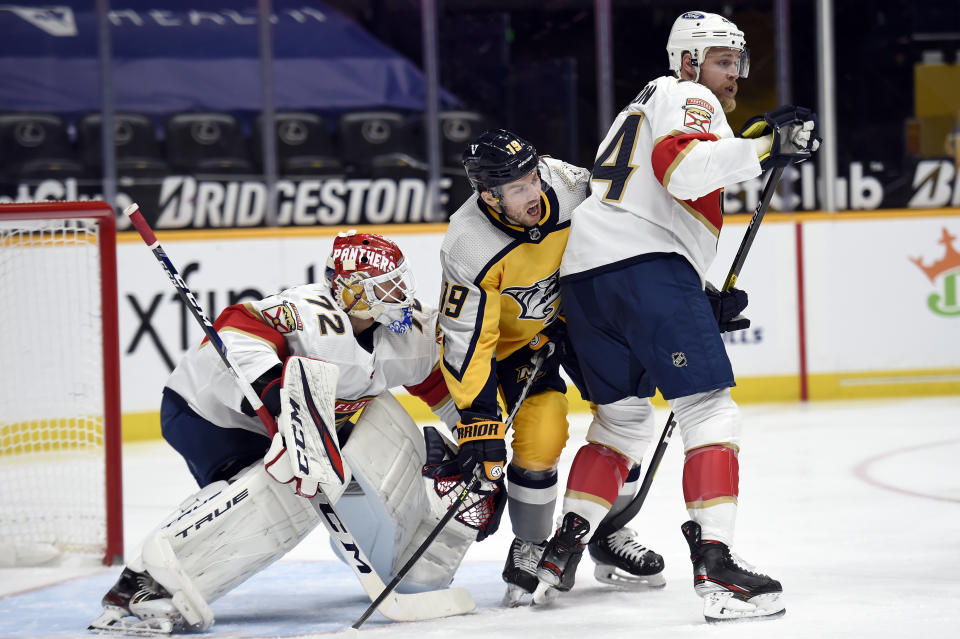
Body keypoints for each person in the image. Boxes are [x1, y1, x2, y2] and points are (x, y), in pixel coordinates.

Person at [536, 11, 820, 621]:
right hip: (645, 271)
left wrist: (695, 287)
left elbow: (647, 198)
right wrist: (767, 146)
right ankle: (717, 567)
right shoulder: (688, 94)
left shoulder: (634, 110)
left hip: (588, 280)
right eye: (724, 61)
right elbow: (685, 171)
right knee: (710, 409)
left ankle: (560, 549)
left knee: (620, 422)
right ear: (689, 60)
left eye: (737, 63)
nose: (734, 76)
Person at [89, 231, 503, 634]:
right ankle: (143, 582)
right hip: (207, 414)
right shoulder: (308, 313)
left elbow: (443, 394)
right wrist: (275, 397)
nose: (401, 296)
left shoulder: (406, 338)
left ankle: (367, 545)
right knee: (265, 496)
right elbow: (235, 328)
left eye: (400, 282)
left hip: (289, 424)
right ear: (352, 292)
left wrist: (476, 443)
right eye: (386, 287)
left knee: (314, 476)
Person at [438, 129, 665, 607]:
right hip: (515, 346)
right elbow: (466, 338)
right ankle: (531, 542)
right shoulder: (468, 243)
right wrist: (479, 418)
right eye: (517, 189)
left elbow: (634, 224)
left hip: (580, 315)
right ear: (487, 195)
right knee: (541, 436)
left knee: (626, 409)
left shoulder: (565, 180)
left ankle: (612, 531)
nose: (533, 192)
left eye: (532, 177)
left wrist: (683, 286)